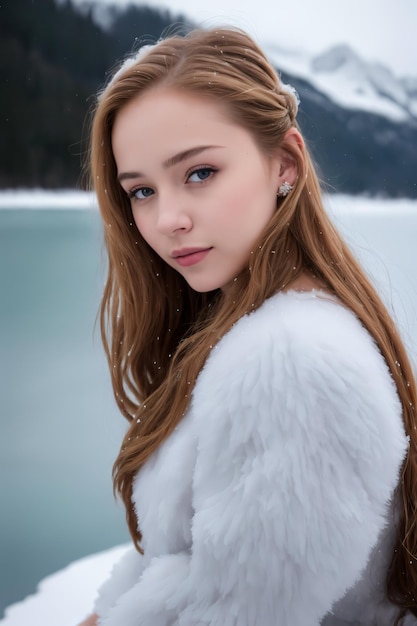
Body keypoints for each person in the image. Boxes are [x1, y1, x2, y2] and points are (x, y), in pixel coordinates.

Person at [79, 27, 417, 626]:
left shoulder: (294, 362)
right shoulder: (249, 326)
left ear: (284, 162)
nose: (166, 219)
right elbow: (191, 562)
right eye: (141, 190)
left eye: (200, 173)